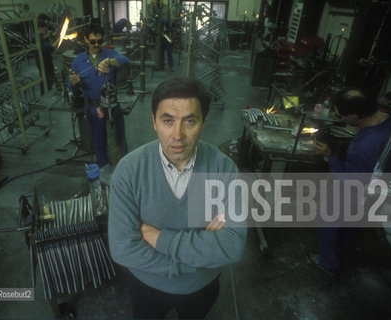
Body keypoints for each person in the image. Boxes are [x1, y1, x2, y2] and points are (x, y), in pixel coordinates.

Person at [108, 78, 247, 319]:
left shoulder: (224, 170)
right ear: (154, 122)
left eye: (190, 121)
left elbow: (232, 246)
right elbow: (122, 249)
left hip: (200, 289)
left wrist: (156, 237)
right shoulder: (129, 170)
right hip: (147, 287)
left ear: (203, 123)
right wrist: (200, 256)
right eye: (167, 120)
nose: (177, 135)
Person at [308, 89, 391, 275]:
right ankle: (345, 243)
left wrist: (330, 155)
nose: (339, 118)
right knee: (353, 214)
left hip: (363, 187)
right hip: (386, 180)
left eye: (340, 115)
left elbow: (347, 179)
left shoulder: (365, 145)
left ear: (353, 116)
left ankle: (327, 262)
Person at [67, 24, 129, 167]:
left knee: (120, 142)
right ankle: (103, 171)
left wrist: (110, 62)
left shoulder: (108, 54)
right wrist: (74, 83)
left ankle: (124, 172)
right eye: (93, 41)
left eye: (99, 42)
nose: (96, 45)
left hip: (112, 107)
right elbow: (69, 85)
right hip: (94, 110)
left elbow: (125, 60)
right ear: (86, 40)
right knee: (99, 144)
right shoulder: (78, 61)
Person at [37, 14, 55, 92]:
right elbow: (47, 48)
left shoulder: (43, 36)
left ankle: (48, 91)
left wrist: (48, 37)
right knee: (45, 78)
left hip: (47, 60)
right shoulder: (37, 38)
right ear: (40, 28)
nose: (46, 29)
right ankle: (44, 94)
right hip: (42, 61)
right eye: (44, 27)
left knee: (50, 76)